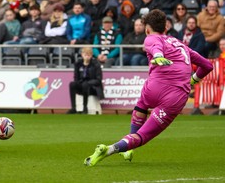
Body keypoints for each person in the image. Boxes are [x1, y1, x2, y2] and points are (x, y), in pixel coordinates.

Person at [84, 9, 213, 167]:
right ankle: (110, 149)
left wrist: (158, 56)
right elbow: (207, 65)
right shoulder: (180, 44)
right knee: (143, 136)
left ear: (146, 29)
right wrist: (193, 80)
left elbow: (154, 45)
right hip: (175, 97)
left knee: (142, 105)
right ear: (166, 29)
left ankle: (128, 147)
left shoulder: (150, 37)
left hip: (153, 88)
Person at [67, 47, 103, 114]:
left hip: (93, 87)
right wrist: (78, 83)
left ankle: (85, 108)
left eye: (88, 55)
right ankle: (73, 108)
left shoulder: (96, 64)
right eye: (85, 55)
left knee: (85, 84)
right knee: (72, 84)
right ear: (82, 55)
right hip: (81, 84)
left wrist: (89, 83)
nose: (87, 57)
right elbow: (76, 77)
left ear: (91, 55)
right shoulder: (78, 64)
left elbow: (98, 80)